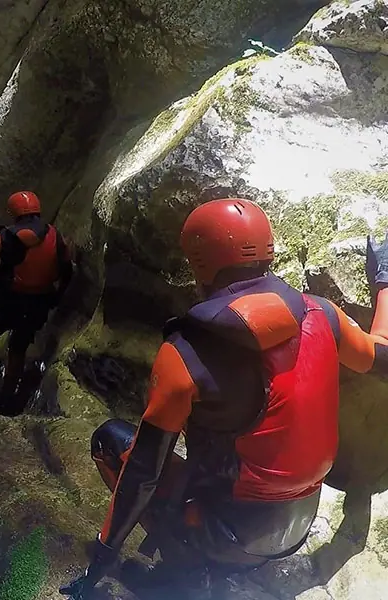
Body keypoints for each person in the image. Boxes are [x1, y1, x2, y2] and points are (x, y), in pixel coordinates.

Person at [60, 197, 388, 599]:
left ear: (199, 262)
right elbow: (381, 354)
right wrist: (384, 280)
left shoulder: (185, 354)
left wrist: (102, 557)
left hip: (229, 538)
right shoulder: (324, 314)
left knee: (110, 439)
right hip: (298, 527)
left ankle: (189, 571)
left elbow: (142, 474)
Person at [0, 191, 73, 414]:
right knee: (18, 348)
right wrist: (57, 295)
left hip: (10, 299)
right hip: (40, 302)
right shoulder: (55, 234)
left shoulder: (4, 237)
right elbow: (67, 269)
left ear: (13, 212)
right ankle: (7, 398)